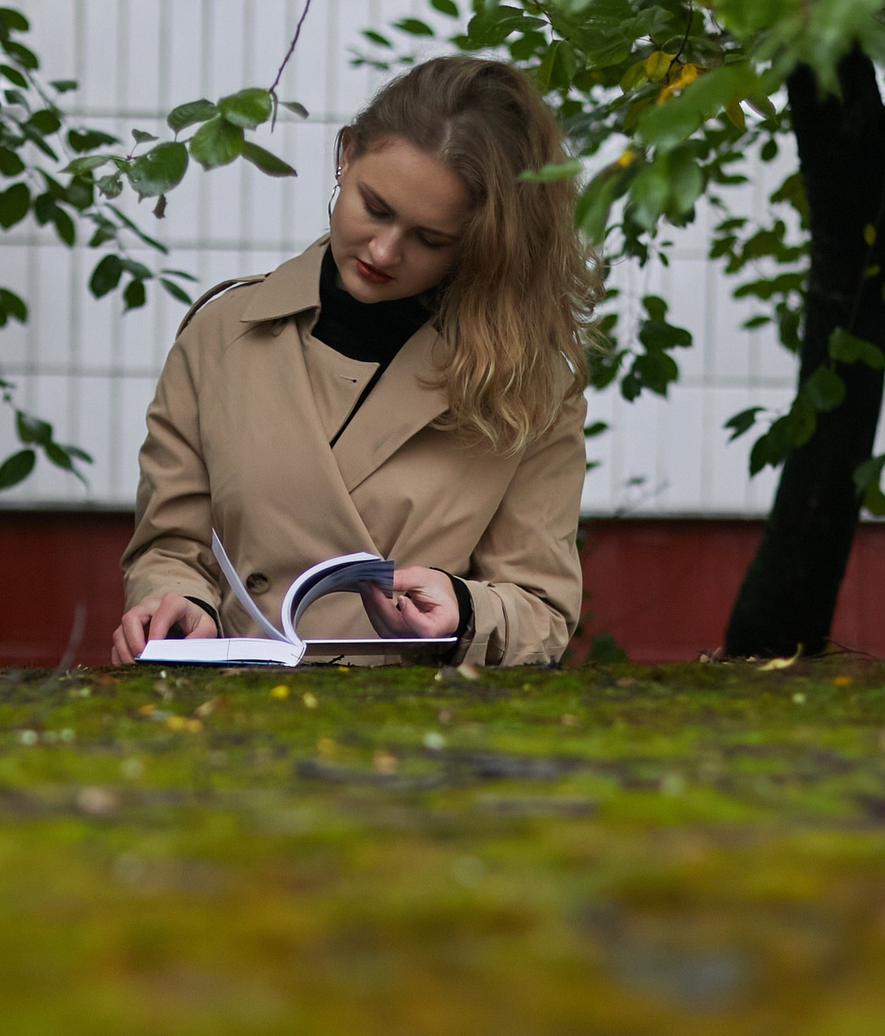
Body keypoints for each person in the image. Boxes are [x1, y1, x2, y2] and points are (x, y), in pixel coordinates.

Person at [113, 55, 600, 668]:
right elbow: (172, 546)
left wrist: (464, 612)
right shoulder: (221, 334)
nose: (384, 249)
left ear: (480, 243)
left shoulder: (525, 382)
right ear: (345, 154)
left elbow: (543, 611)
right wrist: (178, 604)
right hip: (229, 720)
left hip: (409, 734)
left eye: (430, 239)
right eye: (374, 206)